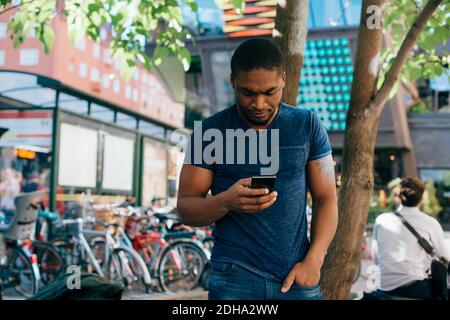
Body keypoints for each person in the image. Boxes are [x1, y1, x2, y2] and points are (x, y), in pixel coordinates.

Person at [177, 38, 338, 300]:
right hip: (235, 280)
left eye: (270, 92)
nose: (259, 104)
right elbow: (186, 208)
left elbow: (326, 198)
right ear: (233, 82)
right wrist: (226, 202)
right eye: (248, 93)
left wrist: (315, 261)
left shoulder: (307, 124)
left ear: (284, 79)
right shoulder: (208, 131)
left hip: (296, 278)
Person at [372, 176, 450, 300]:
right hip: (416, 289)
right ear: (422, 198)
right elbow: (445, 257)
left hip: (384, 287)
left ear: (399, 196)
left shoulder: (381, 220)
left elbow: (376, 259)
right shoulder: (430, 222)